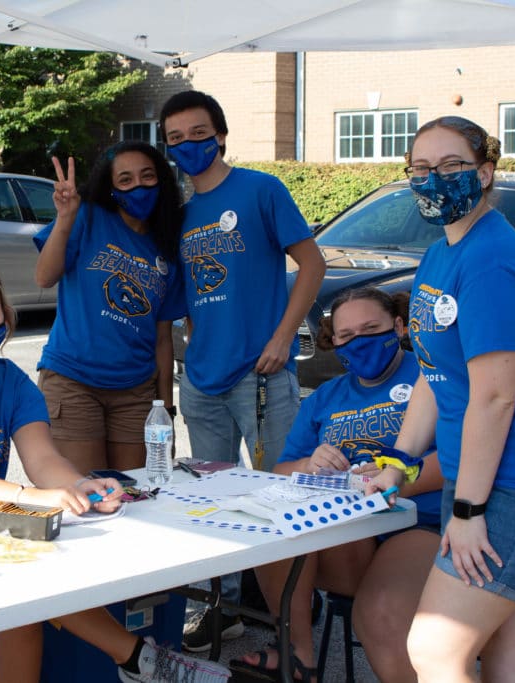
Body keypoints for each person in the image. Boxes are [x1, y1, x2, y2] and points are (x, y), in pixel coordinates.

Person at [0, 262, 229, 683]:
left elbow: (43, 460)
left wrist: (80, 485)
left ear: (6, 322)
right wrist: (35, 497)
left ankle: (140, 662)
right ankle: (140, 661)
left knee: (27, 600)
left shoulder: (12, 382)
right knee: (24, 590)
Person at [366, 116, 515, 682]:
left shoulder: (490, 257)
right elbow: (433, 370)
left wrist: (469, 511)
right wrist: (398, 462)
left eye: (451, 167)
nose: (433, 180)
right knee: (503, 649)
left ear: (485, 171)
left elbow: (495, 397)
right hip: (485, 482)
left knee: (435, 651)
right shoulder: (443, 253)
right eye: (420, 169)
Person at [160, 90, 326, 649]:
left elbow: (313, 263)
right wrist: (189, 351)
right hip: (203, 384)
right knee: (213, 505)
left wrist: (283, 337)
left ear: (222, 135)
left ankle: (287, 607)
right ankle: (218, 605)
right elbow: (185, 301)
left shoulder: (260, 190)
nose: (189, 146)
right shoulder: (182, 215)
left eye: (198, 134)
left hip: (262, 375)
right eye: (176, 138)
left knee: (280, 495)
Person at [232, 287, 443, 682]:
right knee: (270, 526)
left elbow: (455, 459)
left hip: (415, 526)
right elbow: (282, 471)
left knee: (380, 614)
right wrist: (311, 463)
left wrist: (391, 481)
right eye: (346, 335)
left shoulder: (428, 376)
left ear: (398, 326)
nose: (358, 342)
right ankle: (297, 655)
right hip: (349, 538)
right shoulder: (326, 397)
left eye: (370, 329)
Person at [34, 141, 185, 472]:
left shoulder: (168, 245)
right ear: (111, 187)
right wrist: (65, 217)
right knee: (85, 495)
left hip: (135, 393)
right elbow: (45, 277)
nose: (138, 186)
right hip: (74, 382)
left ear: (162, 180)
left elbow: (163, 338)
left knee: (137, 494)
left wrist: (167, 413)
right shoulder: (88, 216)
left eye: (147, 176)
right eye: (126, 179)